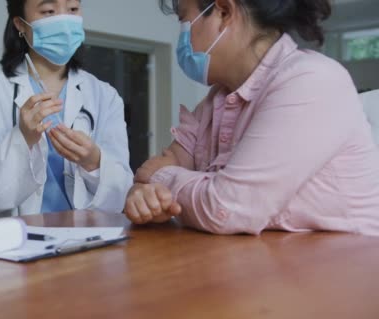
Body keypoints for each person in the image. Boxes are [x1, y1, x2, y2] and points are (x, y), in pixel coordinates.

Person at [125, 0, 379, 236]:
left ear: (224, 12)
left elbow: (227, 209)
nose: (182, 36)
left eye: (183, 20)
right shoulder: (216, 100)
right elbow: (151, 176)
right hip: (267, 264)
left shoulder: (311, 79)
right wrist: (146, 198)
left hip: (343, 269)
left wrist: (163, 178)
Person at [0, 0, 133, 218]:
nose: (63, 20)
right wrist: (21, 140)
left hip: (85, 239)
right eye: (49, 11)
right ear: (20, 24)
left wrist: (94, 162)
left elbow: (122, 193)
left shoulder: (104, 96)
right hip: (13, 242)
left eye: (73, 9)